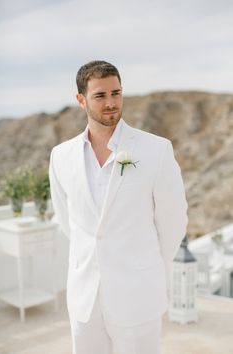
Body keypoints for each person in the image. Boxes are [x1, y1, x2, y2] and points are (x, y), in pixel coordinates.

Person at [49, 60, 188, 354]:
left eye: (116, 93)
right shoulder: (60, 156)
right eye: (100, 96)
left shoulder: (155, 149)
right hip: (85, 298)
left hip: (137, 296)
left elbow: (173, 220)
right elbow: (67, 219)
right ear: (81, 100)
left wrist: (146, 269)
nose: (111, 103)